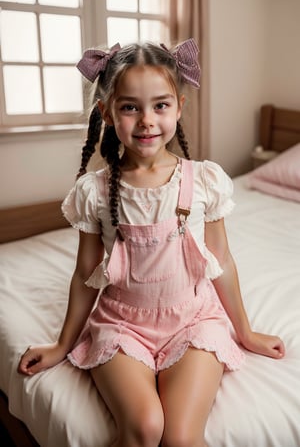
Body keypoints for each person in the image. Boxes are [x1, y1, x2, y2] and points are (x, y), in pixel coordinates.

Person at [18, 38, 285, 447]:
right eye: (130, 107)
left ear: (179, 107)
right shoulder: (95, 190)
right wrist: (62, 344)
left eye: (160, 105)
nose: (146, 120)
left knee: (179, 437)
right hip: (123, 324)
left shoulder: (204, 181)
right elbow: (85, 273)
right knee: (144, 426)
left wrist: (245, 333)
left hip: (194, 321)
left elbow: (223, 260)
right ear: (107, 112)